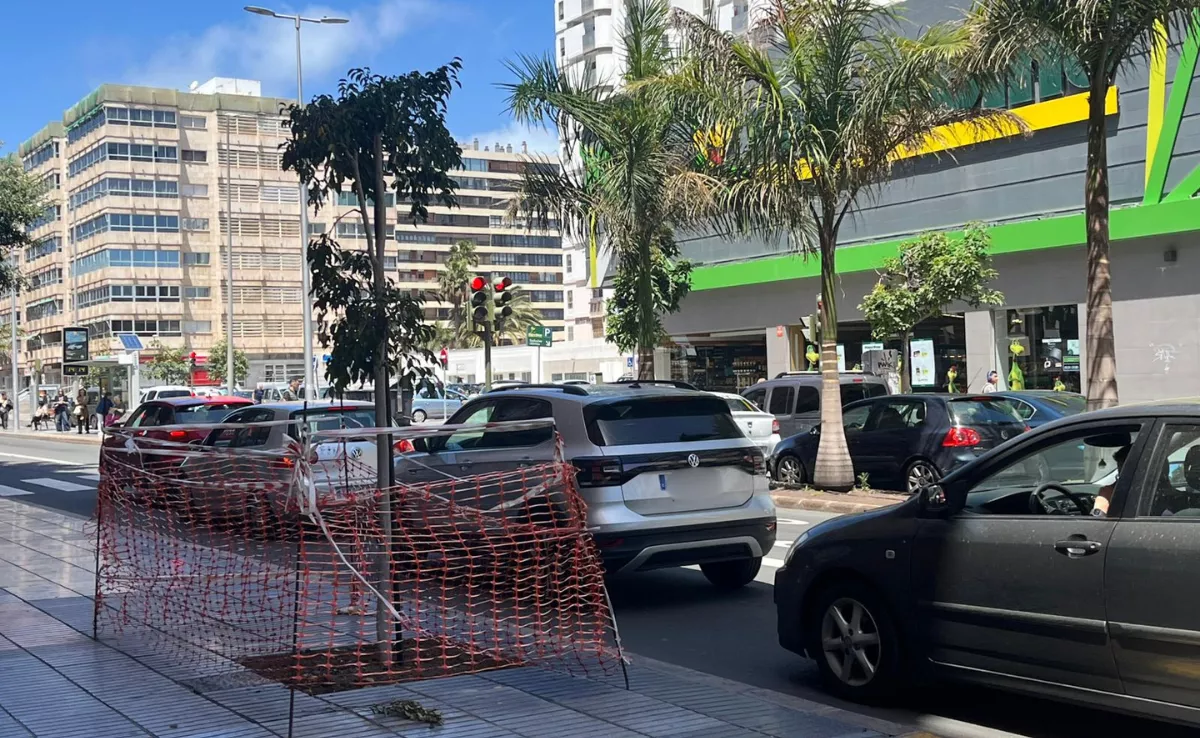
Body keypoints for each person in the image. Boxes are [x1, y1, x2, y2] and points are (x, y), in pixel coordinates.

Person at [1092, 444, 1130, 517]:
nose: (1120, 471)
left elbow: (1098, 519)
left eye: (1122, 467)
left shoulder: (1109, 492)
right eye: (1119, 467)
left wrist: (1104, 497)